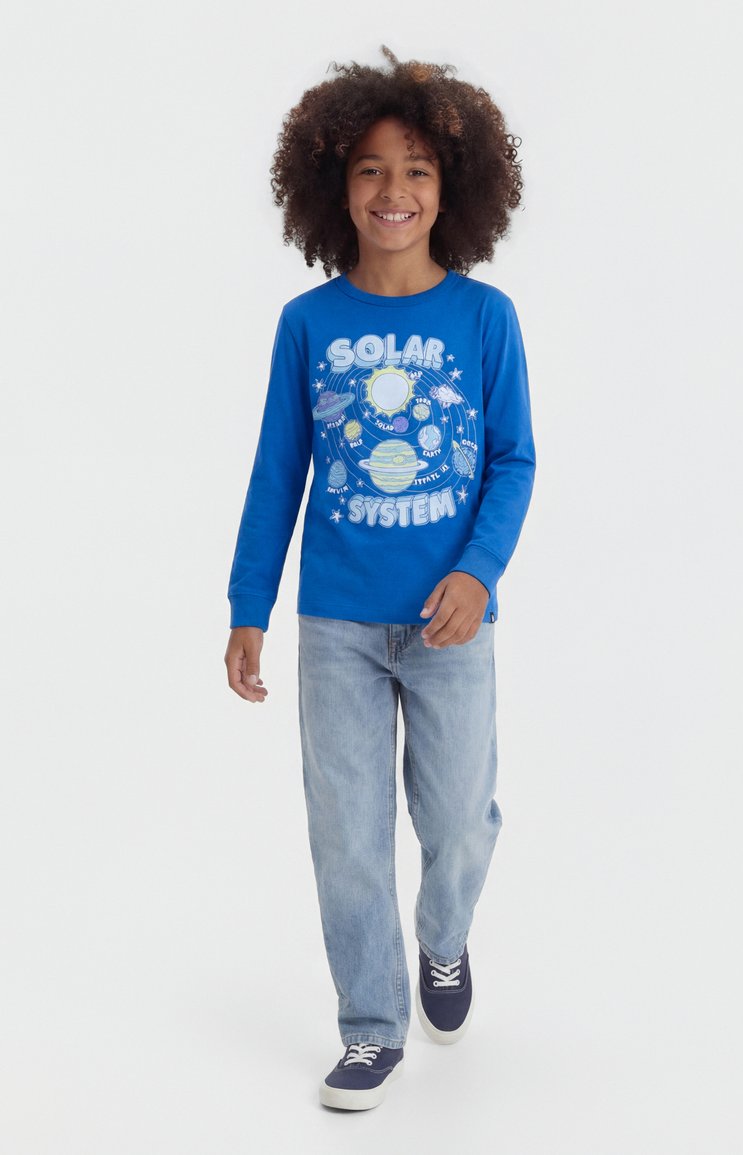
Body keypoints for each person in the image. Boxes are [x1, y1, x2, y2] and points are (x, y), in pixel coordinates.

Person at [224, 46, 536, 1111]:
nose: (391, 190)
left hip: (451, 626)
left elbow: (512, 460)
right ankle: (369, 1025)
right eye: (368, 169)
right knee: (348, 838)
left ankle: (442, 937)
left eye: (415, 170)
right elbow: (278, 473)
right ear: (333, 186)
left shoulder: (484, 319)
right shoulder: (307, 325)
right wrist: (248, 606)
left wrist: (478, 575)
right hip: (338, 628)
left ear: (452, 188)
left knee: (457, 822)